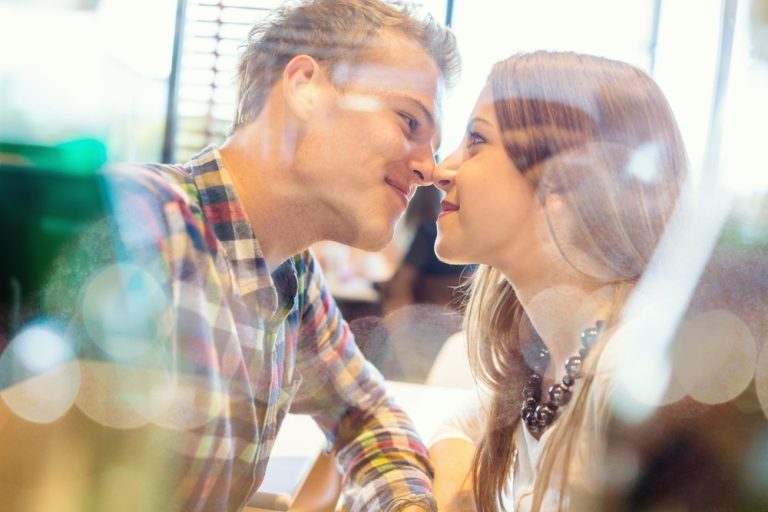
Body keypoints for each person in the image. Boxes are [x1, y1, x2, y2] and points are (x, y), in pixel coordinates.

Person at [1, 1, 460, 511]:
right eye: (409, 121)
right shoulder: (142, 224)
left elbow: (367, 417)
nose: (428, 169)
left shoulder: (293, 278)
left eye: (434, 146)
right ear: (305, 86)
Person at [426, 51, 691, 511]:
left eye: (476, 141)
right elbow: (453, 431)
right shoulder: (547, 354)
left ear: (566, 184)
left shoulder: (631, 373)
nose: (441, 170)